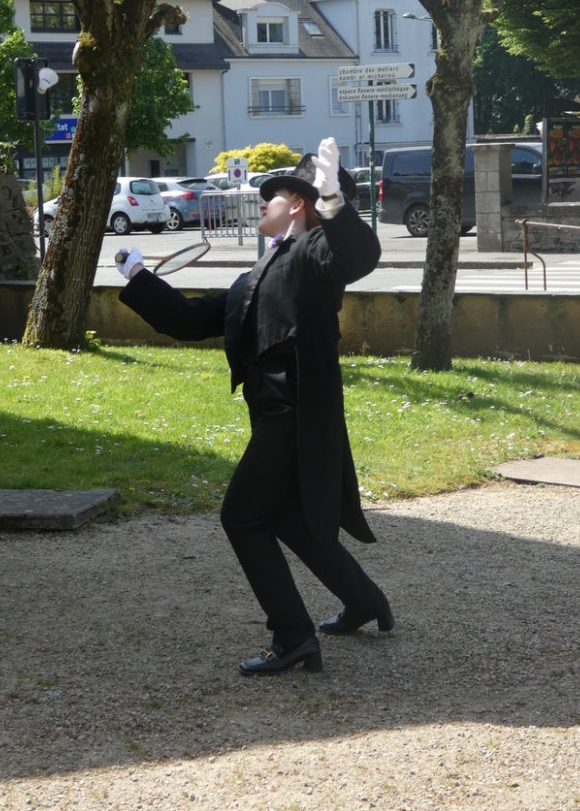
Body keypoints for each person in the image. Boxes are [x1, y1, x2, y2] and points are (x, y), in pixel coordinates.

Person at [116, 138, 394, 676]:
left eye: (274, 196)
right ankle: (364, 600)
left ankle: (293, 636)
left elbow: (359, 253)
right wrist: (139, 277)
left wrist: (332, 196)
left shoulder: (316, 254)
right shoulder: (257, 273)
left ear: (299, 205)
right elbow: (191, 321)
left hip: (296, 410)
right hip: (274, 413)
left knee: (242, 516)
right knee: (289, 519)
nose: (262, 203)